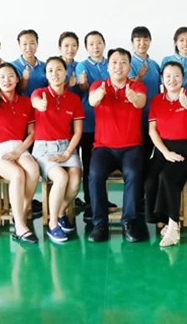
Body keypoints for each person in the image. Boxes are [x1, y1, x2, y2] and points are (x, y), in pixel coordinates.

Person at [87, 49, 147, 243]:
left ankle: (129, 222)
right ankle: (100, 224)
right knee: (95, 174)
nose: (118, 66)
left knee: (133, 173)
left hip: (131, 147)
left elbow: (140, 102)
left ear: (129, 66)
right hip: (103, 147)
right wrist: (98, 95)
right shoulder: (98, 85)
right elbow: (92, 101)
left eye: (123, 62)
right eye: (114, 62)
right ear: (108, 66)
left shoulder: (137, 86)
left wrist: (133, 97)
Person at [0, 63, 40, 244]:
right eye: (2, 77)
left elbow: (32, 133)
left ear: (17, 79)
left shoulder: (26, 102)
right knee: (17, 174)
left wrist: (18, 151)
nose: (7, 80)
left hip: (19, 147)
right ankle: (20, 226)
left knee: (33, 170)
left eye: (11, 76)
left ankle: (20, 212)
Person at [144, 61, 187, 247]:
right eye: (168, 76)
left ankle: (174, 226)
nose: (172, 79)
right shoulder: (156, 100)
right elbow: (152, 130)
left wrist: (185, 103)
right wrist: (166, 152)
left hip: (186, 150)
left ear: (183, 78)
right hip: (163, 150)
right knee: (150, 179)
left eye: (176, 75)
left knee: (167, 177)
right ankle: (162, 219)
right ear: (162, 78)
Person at [31, 57, 85, 243]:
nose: (55, 74)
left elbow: (77, 132)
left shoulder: (74, 99)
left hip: (66, 146)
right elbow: (35, 101)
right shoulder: (40, 93)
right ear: (46, 75)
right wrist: (39, 104)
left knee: (75, 181)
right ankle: (53, 224)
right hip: (43, 147)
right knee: (61, 177)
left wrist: (67, 153)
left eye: (59, 69)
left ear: (66, 73)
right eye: (50, 70)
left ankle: (61, 212)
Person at [128, 26, 162, 212]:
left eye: (145, 39)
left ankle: (148, 196)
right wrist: (139, 77)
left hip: (153, 120)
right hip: (135, 121)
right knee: (137, 160)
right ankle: (137, 197)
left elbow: (159, 90)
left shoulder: (155, 65)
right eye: (138, 40)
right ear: (133, 42)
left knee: (151, 157)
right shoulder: (128, 63)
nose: (142, 43)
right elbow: (128, 88)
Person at [75, 31, 109, 217]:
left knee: (103, 164)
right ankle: (90, 202)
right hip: (89, 122)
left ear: (104, 44)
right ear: (86, 48)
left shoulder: (111, 63)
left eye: (99, 43)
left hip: (108, 122)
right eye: (91, 44)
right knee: (89, 164)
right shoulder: (82, 66)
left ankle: (102, 199)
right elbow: (83, 88)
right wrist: (83, 85)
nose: (95, 47)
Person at [13, 29, 49, 98]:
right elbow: (15, 90)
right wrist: (24, 79)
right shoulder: (12, 67)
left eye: (32, 43)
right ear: (19, 45)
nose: (28, 47)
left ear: (37, 44)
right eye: (25, 44)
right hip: (22, 104)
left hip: (42, 103)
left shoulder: (46, 66)